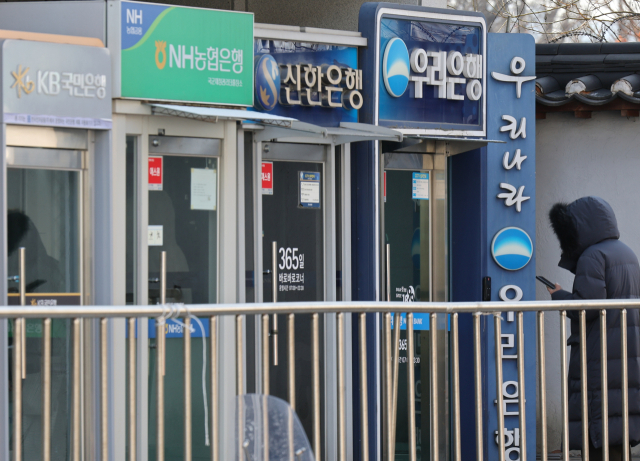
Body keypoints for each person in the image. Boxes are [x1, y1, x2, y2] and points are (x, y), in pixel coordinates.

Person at [546, 196, 640, 461]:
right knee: (618, 426)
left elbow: (586, 308)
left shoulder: (593, 256)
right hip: (625, 351)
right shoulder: (626, 253)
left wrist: (558, 295)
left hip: (600, 353)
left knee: (598, 426)